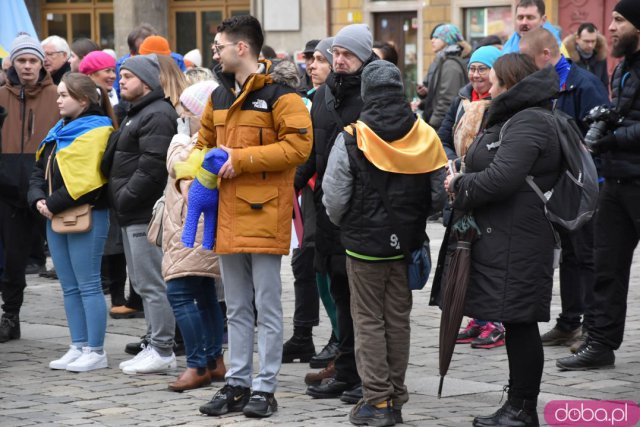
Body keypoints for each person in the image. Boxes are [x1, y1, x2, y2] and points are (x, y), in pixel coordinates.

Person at [187, 15, 312, 419]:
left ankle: (265, 387)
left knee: (267, 305)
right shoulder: (218, 96)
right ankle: (238, 383)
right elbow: (201, 144)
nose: (215, 53)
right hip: (226, 213)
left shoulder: (281, 95)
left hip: (262, 212)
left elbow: (298, 148)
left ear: (242, 48)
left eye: (219, 46)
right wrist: (187, 178)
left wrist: (239, 160)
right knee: (237, 307)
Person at [323, 60, 447, 427]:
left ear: (366, 94)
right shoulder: (425, 134)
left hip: (364, 246)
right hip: (405, 244)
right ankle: (395, 397)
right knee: (398, 320)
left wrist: (347, 223)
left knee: (368, 322)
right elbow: (439, 196)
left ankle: (376, 401)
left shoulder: (353, 136)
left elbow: (334, 196)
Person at [445, 54, 562, 426]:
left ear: (510, 81)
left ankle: (523, 408)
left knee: (521, 320)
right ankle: (516, 403)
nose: (488, 86)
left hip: (521, 237)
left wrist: (458, 184)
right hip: (512, 233)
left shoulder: (529, 120)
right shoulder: (520, 116)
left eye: (494, 79)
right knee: (517, 320)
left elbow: (501, 179)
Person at [556, 0, 640, 371]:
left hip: (635, 178)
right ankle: (601, 343)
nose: (611, 27)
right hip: (616, 181)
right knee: (606, 267)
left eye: (619, 20)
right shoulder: (623, 67)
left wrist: (613, 138)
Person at [299, 24, 377, 405]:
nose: (339, 60)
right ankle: (346, 371)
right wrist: (290, 188)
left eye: (348, 54)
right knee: (341, 293)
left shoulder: (372, 92)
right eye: (336, 54)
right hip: (329, 208)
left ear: (364, 56)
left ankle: (369, 375)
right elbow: (314, 153)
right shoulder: (324, 95)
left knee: (365, 301)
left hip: (362, 212)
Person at [520, 27, 609, 351]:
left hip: (586, 186)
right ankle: (570, 322)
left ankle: (591, 328)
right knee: (570, 257)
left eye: (529, 59)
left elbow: (603, 133)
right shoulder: (541, 84)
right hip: (558, 188)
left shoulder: (582, 83)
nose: (527, 66)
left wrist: (586, 178)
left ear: (545, 54)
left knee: (587, 258)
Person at [28, 72, 115, 371]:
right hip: (54, 213)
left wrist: (50, 204)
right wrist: (37, 197)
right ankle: (77, 345)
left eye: (65, 95)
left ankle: (96, 350)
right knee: (69, 286)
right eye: (59, 94)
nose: (59, 99)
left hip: (86, 214)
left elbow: (90, 182)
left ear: (83, 99)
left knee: (88, 284)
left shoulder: (98, 131)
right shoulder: (59, 130)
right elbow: (40, 168)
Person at [101, 54, 179, 375]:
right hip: (130, 211)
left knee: (151, 283)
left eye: (128, 77)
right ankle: (154, 341)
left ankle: (162, 348)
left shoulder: (157, 114)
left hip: (141, 211)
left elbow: (151, 168)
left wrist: (124, 197)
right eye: (120, 76)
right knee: (142, 282)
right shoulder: (137, 112)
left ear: (146, 82)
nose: (121, 81)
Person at [436, 45, 507, 350]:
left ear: (496, 72)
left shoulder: (502, 104)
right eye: (473, 68)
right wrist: (453, 161)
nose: (476, 75)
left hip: (486, 187)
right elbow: (441, 136)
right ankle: (477, 316)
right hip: (460, 184)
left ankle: (497, 321)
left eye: (483, 69)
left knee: (491, 254)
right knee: (466, 252)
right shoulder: (461, 100)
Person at [163, 80, 226, 392]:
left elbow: (177, 164)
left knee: (179, 293)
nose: (180, 113)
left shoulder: (196, 144)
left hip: (194, 230)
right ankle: (214, 360)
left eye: (186, 108)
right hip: (196, 230)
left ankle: (197, 363)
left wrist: (177, 139)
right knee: (203, 294)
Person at [283, 37, 338, 370]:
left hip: (328, 194)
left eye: (320, 59)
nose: (311, 65)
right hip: (306, 191)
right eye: (310, 59)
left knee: (328, 268)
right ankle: (304, 333)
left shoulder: (334, 101)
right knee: (304, 263)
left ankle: (339, 338)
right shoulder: (308, 99)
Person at [0, 33, 59, 343]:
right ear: (13, 63)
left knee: (64, 260)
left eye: (32, 60)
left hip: (48, 189)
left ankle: (81, 330)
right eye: (21, 60)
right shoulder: (1, 96)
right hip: (8, 191)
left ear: (41, 63)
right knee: (12, 260)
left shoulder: (56, 97)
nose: (26, 66)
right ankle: (10, 316)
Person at [421, 23, 471, 131]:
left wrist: (432, 124)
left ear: (448, 39)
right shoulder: (443, 61)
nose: (432, 40)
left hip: (442, 126)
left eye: (437, 37)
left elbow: (447, 99)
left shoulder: (450, 65)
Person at [501, 0, 568, 56]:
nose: (524, 22)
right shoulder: (508, 47)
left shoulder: (557, 48)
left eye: (530, 17)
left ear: (543, 20)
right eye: (520, 18)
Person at [563, 23, 610, 91]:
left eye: (593, 41)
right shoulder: (567, 58)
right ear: (577, 39)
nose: (590, 45)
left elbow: (604, 84)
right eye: (586, 41)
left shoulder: (600, 58)